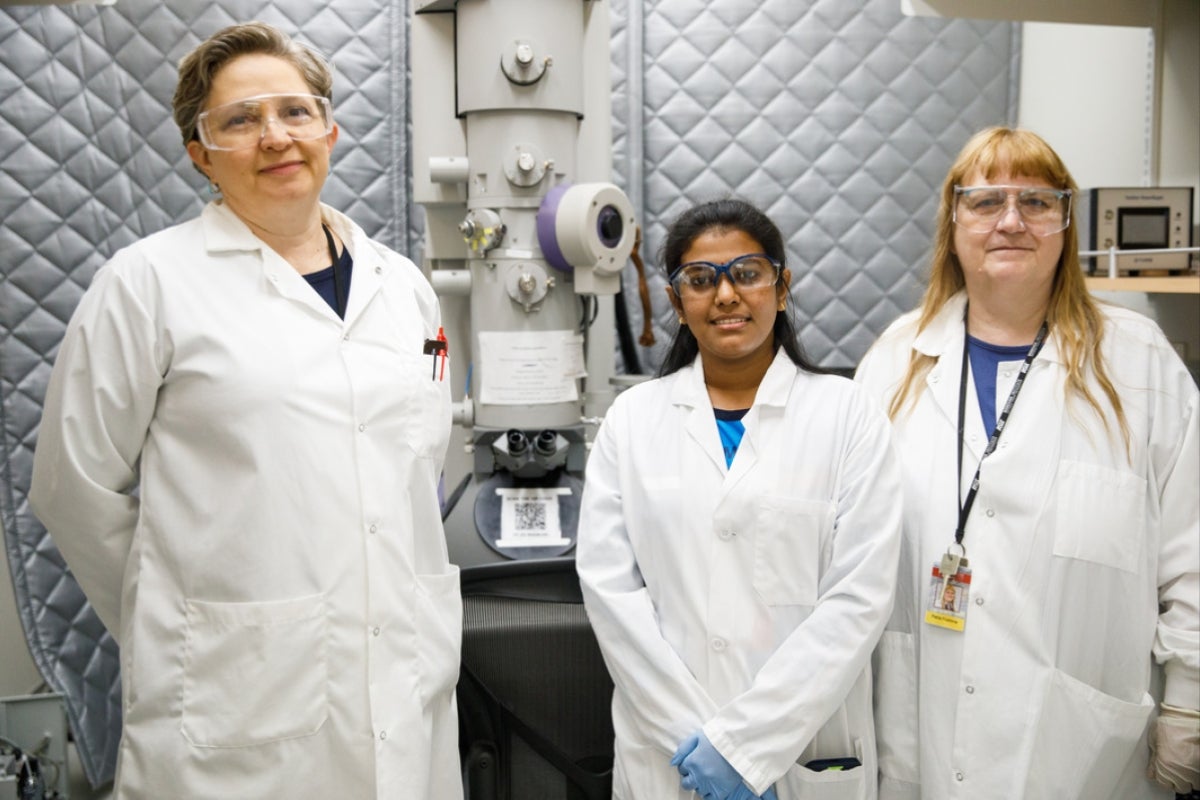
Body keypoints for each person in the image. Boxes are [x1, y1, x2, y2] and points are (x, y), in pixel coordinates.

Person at [29, 22, 462, 798]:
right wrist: (179, 618)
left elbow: (412, 468)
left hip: (404, 675)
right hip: (232, 700)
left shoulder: (404, 287)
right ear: (201, 153)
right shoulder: (148, 284)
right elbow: (73, 489)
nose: (275, 137)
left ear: (328, 126)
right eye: (240, 120)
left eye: (294, 112)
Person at [856, 126, 1199, 800]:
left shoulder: (1141, 363)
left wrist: (1190, 698)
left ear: (1066, 225)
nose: (1011, 220)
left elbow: (1193, 550)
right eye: (985, 202)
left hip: (1084, 755)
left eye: (1037, 202)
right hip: (921, 733)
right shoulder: (894, 362)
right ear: (952, 224)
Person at [577, 199, 903, 800]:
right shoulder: (633, 420)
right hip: (670, 756)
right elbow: (612, 597)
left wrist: (747, 747)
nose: (725, 294)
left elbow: (858, 600)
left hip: (803, 753)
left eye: (748, 273)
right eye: (700, 280)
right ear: (677, 303)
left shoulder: (847, 415)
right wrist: (702, 744)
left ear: (781, 288)